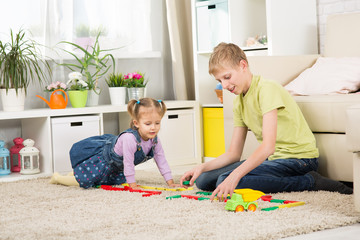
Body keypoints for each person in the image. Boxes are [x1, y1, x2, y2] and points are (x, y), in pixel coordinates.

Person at [180, 42, 353, 201]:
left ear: (242, 65)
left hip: (299, 160)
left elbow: (268, 146)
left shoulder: (266, 89)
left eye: (227, 77)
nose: (224, 86)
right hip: (274, 160)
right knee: (204, 180)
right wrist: (201, 167)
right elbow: (233, 154)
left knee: (227, 180)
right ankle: (221, 175)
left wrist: (235, 175)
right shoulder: (238, 101)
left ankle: (309, 181)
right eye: (219, 81)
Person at [50, 98, 179, 189]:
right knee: (86, 181)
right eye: (148, 124)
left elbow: (161, 160)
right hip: (106, 161)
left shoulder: (154, 140)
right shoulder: (130, 139)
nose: (153, 128)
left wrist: (170, 182)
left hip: (117, 168)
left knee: (107, 182)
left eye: (157, 123)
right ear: (136, 123)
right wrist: (132, 184)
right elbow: (128, 162)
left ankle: (74, 173)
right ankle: (58, 178)